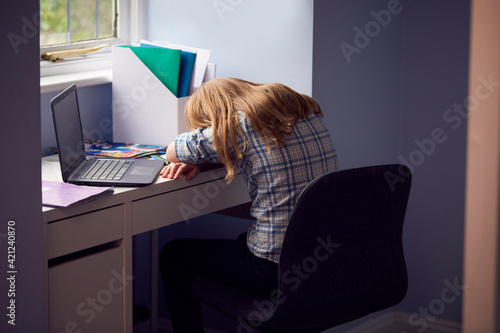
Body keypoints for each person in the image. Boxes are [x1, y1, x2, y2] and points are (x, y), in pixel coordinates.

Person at [159, 77, 339, 332]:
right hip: (322, 257)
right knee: (241, 242)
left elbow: (172, 152)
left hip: (273, 270)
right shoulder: (303, 110)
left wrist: (203, 150)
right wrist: (213, 156)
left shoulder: (238, 125)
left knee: (175, 255)